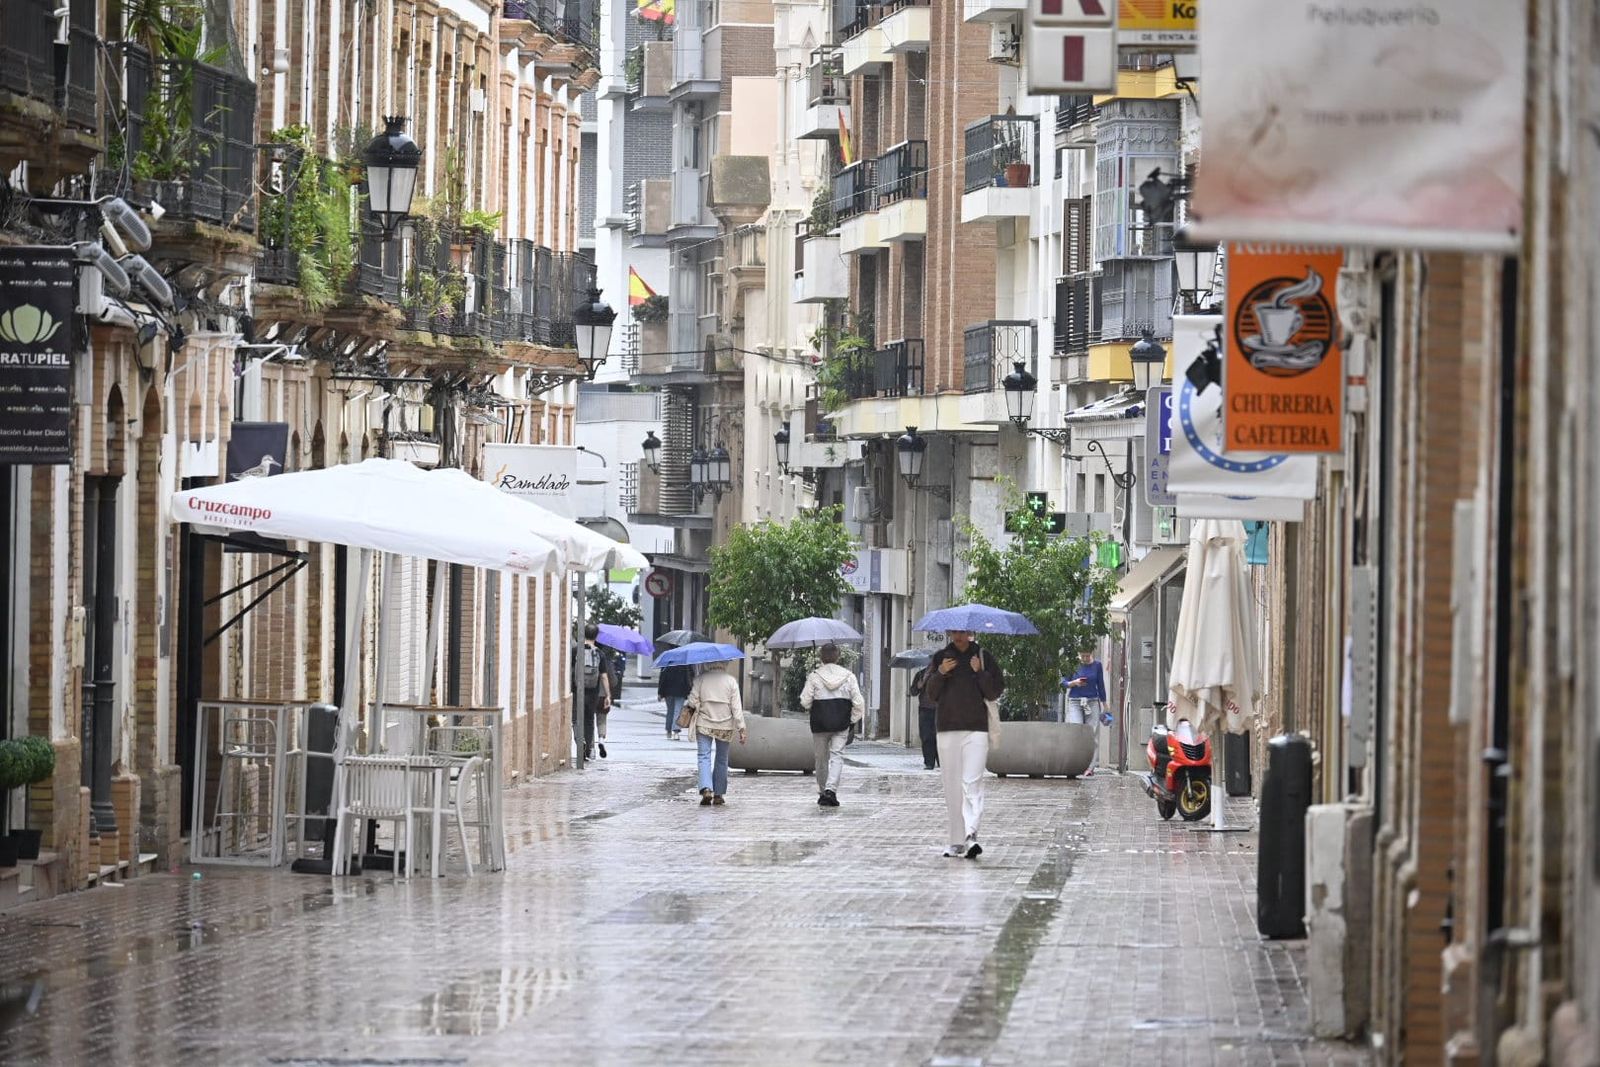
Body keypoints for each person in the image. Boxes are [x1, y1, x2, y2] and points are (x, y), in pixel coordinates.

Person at [924, 629, 1005, 859]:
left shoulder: (983, 656)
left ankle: (971, 834)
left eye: (962, 632)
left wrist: (980, 672)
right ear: (949, 633)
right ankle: (956, 841)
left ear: (969, 632)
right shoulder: (940, 657)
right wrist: (941, 672)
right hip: (947, 729)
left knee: (972, 782)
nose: (958, 636)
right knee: (952, 786)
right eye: (954, 632)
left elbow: (994, 691)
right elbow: (930, 694)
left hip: (976, 729)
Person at [800, 644, 865, 808]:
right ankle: (831, 790)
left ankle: (823, 791)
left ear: (821, 657)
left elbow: (805, 701)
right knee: (837, 756)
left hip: (820, 723)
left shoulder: (814, 676)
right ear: (838, 657)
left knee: (821, 758)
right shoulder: (849, 676)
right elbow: (859, 703)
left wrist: (813, 705)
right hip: (841, 723)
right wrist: (851, 720)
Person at [685, 660, 747, 805]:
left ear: (708, 663)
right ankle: (718, 794)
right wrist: (741, 728)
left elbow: (692, 702)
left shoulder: (700, 679)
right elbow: (736, 708)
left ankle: (706, 788)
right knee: (722, 758)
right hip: (725, 725)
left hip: (704, 723)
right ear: (725, 664)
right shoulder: (731, 681)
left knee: (704, 756)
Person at [1063, 649, 1108, 775]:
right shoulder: (1072, 664)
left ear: (1092, 653)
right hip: (1075, 702)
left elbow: (1101, 685)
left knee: (1092, 735)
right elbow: (1064, 682)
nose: (1085, 658)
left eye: (1087, 656)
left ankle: (1090, 767)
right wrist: (1074, 683)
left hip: (1092, 702)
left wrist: (1105, 704)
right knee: (1077, 732)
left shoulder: (1097, 665)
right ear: (1078, 654)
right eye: (1083, 656)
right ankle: (1077, 764)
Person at [575, 624, 612, 760]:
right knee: (591, 721)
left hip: (577, 690)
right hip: (593, 693)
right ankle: (590, 749)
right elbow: (604, 676)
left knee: (577, 720)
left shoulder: (576, 651)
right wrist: (608, 695)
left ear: (583, 633)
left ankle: (581, 741)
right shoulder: (600, 654)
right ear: (596, 636)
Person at [910, 665, 939, 770]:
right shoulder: (920, 674)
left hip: (940, 709)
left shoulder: (943, 674)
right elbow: (913, 692)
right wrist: (918, 686)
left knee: (939, 736)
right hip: (925, 709)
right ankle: (929, 762)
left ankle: (941, 760)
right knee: (926, 736)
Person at [657, 661, 694, 740]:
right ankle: (676, 732)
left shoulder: (666, 663)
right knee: (678, 711)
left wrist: (660, 693)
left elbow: (662, 679)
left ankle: (668, 731)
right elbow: (690, 677)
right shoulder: (685, 663)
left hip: (668, 691)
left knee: (670, 711)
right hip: (681, 691)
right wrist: (689, 691)